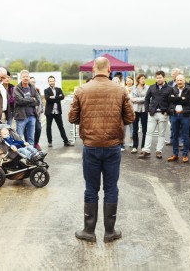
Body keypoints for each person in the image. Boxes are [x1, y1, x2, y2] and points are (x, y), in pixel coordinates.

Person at [68, 57, 134, 243]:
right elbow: (130, 117)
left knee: (91, 189)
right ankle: (109, 232)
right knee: (111, 188)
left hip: (91, 145)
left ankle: (89, 231)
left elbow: (72, 118)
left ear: (93, 69)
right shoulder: (120, 89)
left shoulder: (82, 90)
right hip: (113, 146)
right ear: (109, 69)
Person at [138, 70, 171, 159]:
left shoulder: (169, 89)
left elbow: (171, 102)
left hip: (163, 114)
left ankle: (158, 151)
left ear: (164, 78)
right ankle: (146, 150)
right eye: (157, 78)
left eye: (160, 77)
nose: (158, 79)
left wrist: (167, 111)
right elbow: (147, 99)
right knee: (149, 132)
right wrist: (147, 109)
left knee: (161, 134)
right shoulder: (152, 87)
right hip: (152, 113)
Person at [167, 74, 190, 163]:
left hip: (185, 115)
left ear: (184, 81)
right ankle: (175, 154)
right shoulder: (172, 89)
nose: (179, 82)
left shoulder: (189, 89)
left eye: (181, 80)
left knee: (185, 135)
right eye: (177, 80)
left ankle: (185, 155)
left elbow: (187, 100)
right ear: (176, 81)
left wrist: (176, 99)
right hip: (174, 115)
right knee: (175, 135)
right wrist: (181, 98)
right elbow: (170, 100)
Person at [44, 75, 74, 147]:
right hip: (49, 112)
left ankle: (66, 141)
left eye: (53, 81)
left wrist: (53, 97)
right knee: (48, 127)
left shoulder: (59, 89)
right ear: (48, 82)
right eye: (50, 81)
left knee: (61, 126)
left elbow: (62, 97)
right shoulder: (46, 90)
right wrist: (57, 98)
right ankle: (50, 142)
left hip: (57, 112)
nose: (52, 82)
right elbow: (48, 99)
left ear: (55, 81)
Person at [14, 70, 38, 145]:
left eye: (27, 76)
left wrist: (26, 101)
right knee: (19, 137)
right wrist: (31, 99)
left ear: (29, 77)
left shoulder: (32, 87)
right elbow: (19, 101)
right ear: (21, 78)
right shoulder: (16, 88)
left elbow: (37, 101)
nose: (25, 78)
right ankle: (20, 153)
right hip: (21, 117)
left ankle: (31, 153)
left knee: (31, 137)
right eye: (24, 76)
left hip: (32, 116)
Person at [130, 74, 149, 154]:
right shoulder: (133, 88)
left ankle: (143, 146)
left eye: (144, 78)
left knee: (145, 129)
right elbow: (131, 99)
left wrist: (137, 99)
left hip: (144, 110)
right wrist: (142, 99)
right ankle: (135, 146)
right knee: (135, 129)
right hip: (135, 110)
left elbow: (147, 99)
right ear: (138, 80)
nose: (143, 80)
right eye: (142, 78)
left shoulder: (148, 88)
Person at [166, 68, 181, 146]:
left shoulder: (183, 83)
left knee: (180, 125)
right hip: (171, 106)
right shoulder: (169, 83)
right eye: (172, 74)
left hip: (180, 106)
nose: (173, 76)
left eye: (174, 74)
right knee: (172, 124)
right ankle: (172, 140)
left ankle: (179, 141)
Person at [30, 76, 44, 151]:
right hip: (29, 114)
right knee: (29, 131)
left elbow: (40, 101)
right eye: (32, 82)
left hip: (37, 114)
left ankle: (36, 143)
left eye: (34, 82)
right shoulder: (27, 90)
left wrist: (41, 110)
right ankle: (29, 144)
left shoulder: (37, 90)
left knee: (38, 129)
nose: (33, 83)